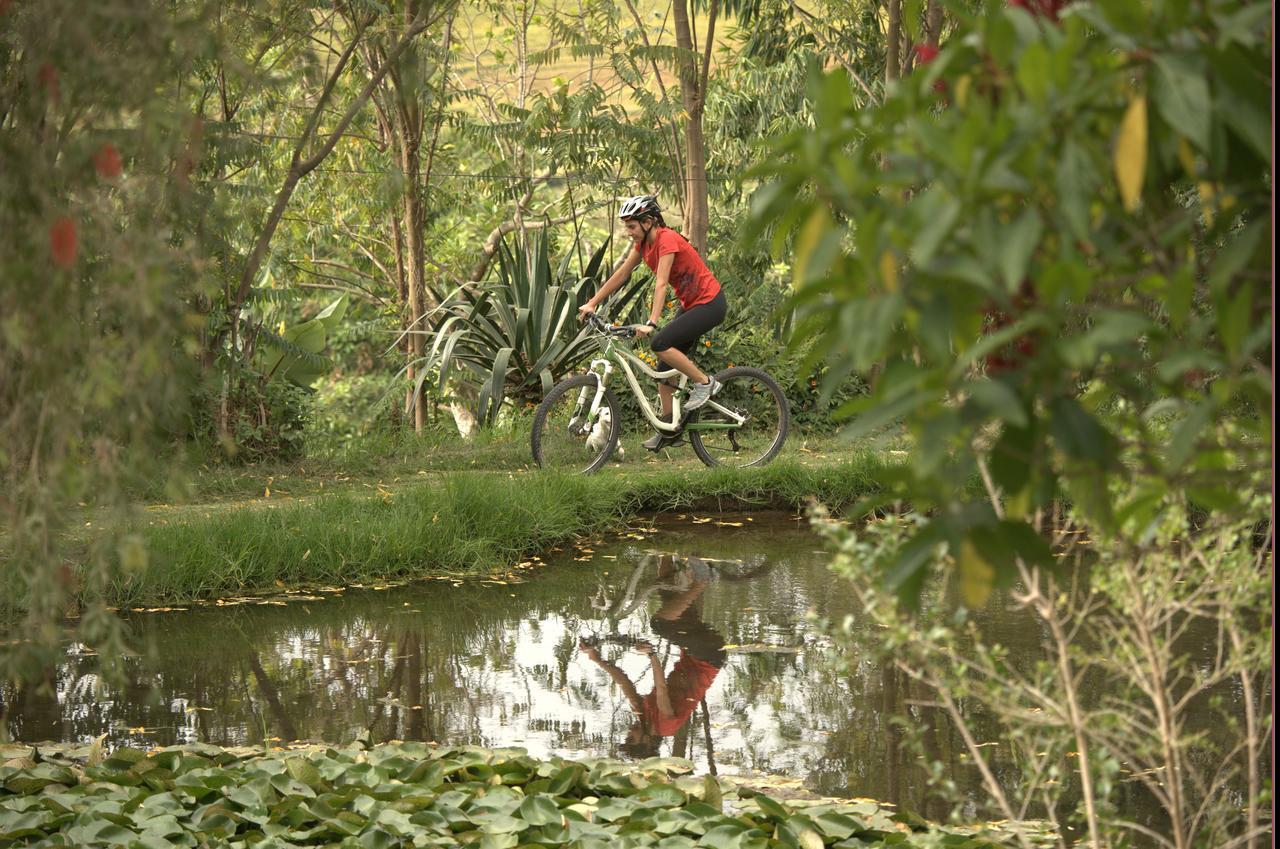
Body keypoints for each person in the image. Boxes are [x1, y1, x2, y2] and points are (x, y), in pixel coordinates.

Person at [579, 195, 727, 451]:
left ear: (648, 222)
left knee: (659, 342)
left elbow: (661, 283)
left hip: (710, 304)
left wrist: (651, 322)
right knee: (663, 366)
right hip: (692, 305)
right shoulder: (643, 246)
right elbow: (622, 274)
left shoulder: (667, 240)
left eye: (632, 226)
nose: (628, 232)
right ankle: (670, 429)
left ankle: (705, 383)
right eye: (626, 226)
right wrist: (593, 302)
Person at [578, 555, 726, 758]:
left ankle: (665, 549)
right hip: (707, 656)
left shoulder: (642, 716)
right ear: (647, 743)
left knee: (667, 593)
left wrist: (596, 659)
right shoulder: (665, 727)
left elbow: (623, 681)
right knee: (660, 624)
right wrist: (652, 655)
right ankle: (703, 581)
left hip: (694, 652)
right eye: (631, 739)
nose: (629, 733)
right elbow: (661, 689)